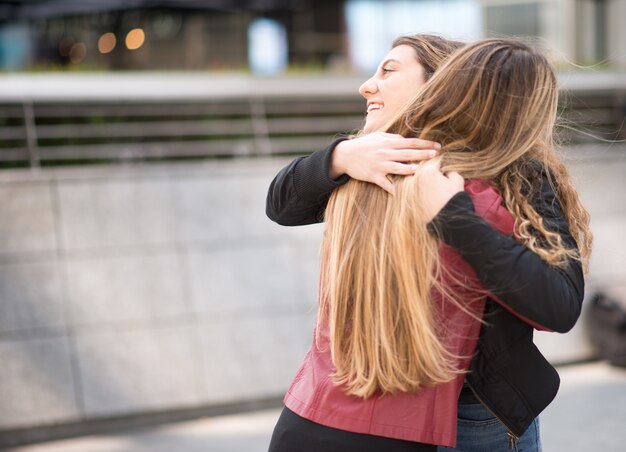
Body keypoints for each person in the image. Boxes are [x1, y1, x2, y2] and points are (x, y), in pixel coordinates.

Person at [266, 37, 592, 452]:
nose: (366, 86)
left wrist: (453, 218)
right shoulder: (366, 161)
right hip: (382, 406)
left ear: (442, 85)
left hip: (476, 411)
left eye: (388, 71)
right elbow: (280, 204)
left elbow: (559, 303)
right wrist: (339, 157)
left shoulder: (515, 180)